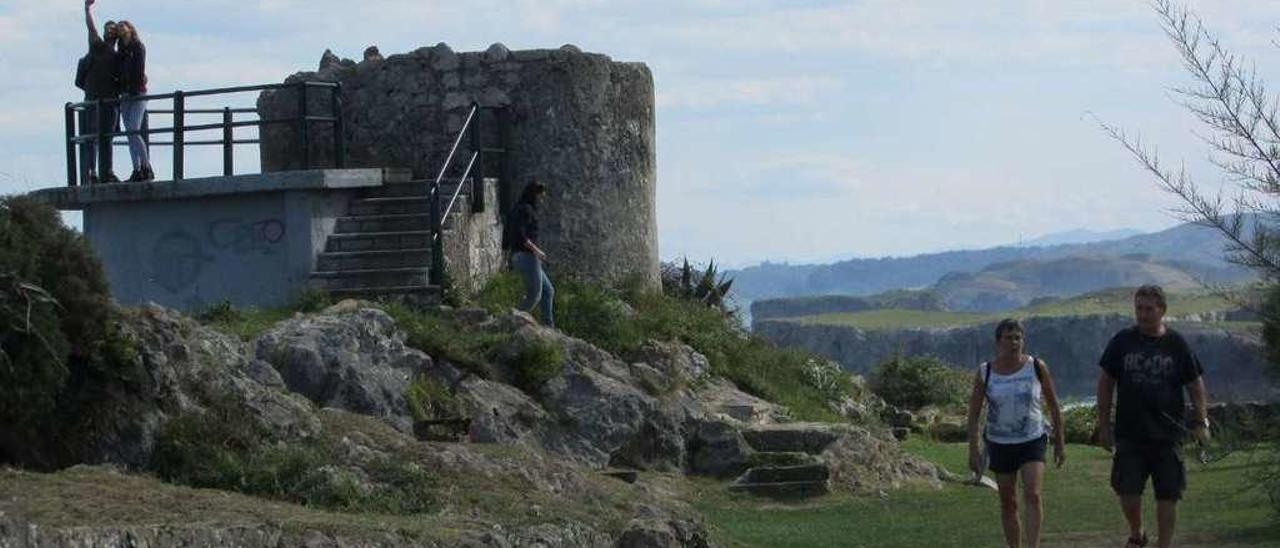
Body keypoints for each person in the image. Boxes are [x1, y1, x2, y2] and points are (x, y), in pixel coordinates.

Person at [1095, 285, 1210, 548]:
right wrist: (1103, 424)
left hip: (1168, 435)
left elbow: (1195, 384)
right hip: (1130, 433)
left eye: (1149, 309)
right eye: (1139, 309)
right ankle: (1137, 533)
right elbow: (1105, 382)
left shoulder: (1176, 344)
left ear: (1162, 310)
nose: (1143, 315)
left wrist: (1201, 421)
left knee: (1168, 495)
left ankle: (1164, 544)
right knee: (1127, 491)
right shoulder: (1122, 341)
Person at [967, 318, 1066, 548]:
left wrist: (1060, 440)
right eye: (1008, 338)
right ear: (998, 342)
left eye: (1017, 338)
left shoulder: (1036, 367)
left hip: (1032, 439)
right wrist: (973, 450)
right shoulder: (986, 371)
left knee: (1033, 494)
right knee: (1008, 500)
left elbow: (1053, 404)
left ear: (1023, 340)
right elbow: (973, 415)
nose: (1014, 343)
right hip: (1000, 443)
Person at [79, 0, 121, 185]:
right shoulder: (98, 47)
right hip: (94, 99)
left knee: (108, 137)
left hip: (111, 100)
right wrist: (87, 9)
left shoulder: (119, 55)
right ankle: (92, 171)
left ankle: (107, 171)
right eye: (108, 29)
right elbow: (91, 28)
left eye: (113, 29)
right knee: (93, 137)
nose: (110, 31)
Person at [501, 181, 554, 327]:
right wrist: (538, 251)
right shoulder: (525, 210)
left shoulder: (518, 209)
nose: (541, 200)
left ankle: (549, 327)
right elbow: (521, 235)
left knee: (548, 291)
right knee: (534, 296)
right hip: (527, 256)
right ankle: (508, 321)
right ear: (534, 195)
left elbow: (508, 235)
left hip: (522, 256)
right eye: (540, 196)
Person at [116, 20, 152, 182]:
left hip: (137, 94)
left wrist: (133, 88)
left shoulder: (138, 47)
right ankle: (136, 169)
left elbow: (139, 70)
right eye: (119, 28)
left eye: (123, 26)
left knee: (134, 130)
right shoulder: (121, 50)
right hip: (124, 94)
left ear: (130, 28)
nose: (120, 29)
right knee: (130, 134)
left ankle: (146, 166)